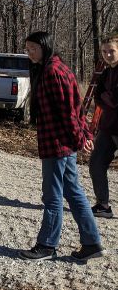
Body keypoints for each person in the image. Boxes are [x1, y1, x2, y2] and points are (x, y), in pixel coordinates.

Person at [18, 31, 103, 262]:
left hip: (58, 145)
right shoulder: (49, 69)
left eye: (32, 48)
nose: (29, 53)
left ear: (45, 46)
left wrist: (80, 138)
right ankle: (92, 243)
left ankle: (47, 245)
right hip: (57, 143)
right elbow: (75, 110)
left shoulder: (54, 71)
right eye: (27, 48)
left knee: (52, 196)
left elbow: (69, 113)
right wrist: (82, 135)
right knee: (73, 192)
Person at [88, 33, 118, 219]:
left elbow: (114, 99)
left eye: (112, 51)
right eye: (104, 51)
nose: (107, 55)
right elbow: (98, 98)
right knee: (96, 164)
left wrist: (109, 98)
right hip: (108, 127)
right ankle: (103, 205)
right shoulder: (106, 72)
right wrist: (109, 97)